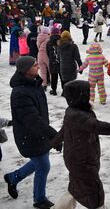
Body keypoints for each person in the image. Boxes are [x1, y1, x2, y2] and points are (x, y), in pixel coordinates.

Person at [51, 80, 110, 209]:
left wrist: (54, 142)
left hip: (77, 157)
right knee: (95, 193)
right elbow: (99, 127)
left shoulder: (73, 111)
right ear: (81, 96)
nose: (90, 94)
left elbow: (64, 129)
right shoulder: (78, 115)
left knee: (76, 187)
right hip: (82, 161)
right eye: (88, 92)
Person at [4, 56, 60, 209]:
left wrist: (48, 133)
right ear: (25, 70)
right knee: (43, 165)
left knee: (39, 162)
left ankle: (13, 178)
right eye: (34, 65)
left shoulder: (35, 84)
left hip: (40, 132)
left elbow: (39, 115)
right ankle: (39, 200)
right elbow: (32, 119)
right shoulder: (20, 93)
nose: (37, 66)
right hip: (28, 135)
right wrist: (54, 136)